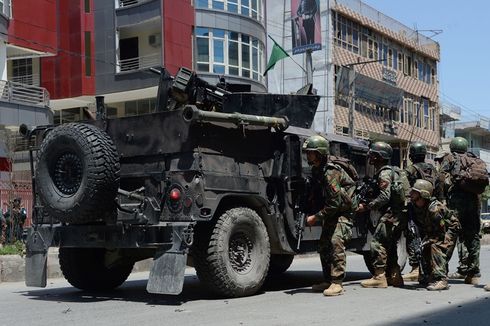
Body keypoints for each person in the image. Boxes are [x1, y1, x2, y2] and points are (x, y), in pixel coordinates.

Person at [303, 135, 357, 296]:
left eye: (311, 152)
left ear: (319, 153)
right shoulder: (317, 170)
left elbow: (335, 203)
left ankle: (337, 282)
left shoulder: (330, 172)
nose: (308, 155)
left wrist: (316, 217)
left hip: (344, 212)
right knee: (324, 245)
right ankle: (328, 280)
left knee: (336, 242)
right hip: (333, 211)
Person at [359, 141, 407, 288]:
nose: (370, 157)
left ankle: (379, 276)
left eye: (373, 154)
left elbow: (385, 196)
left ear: (380, 157)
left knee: (377, 242)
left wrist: (368, 206)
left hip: (390, 214)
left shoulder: (384, 173)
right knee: (390, 245)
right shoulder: (394, 170)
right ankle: (395, 276)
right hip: (399, 214)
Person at [440, 137, 482, 285]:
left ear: (452, 146)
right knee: (472, 237)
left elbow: (441, 179)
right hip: (474, 202)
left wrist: (441, 198)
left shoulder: (450, 158)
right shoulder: (473, 159)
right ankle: (473, 274)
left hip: (456, 203)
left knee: (449, 234)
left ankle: (441, 274)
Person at [408, 179, 460, 290]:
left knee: (436, 245)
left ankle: (441, 279)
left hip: (449, 230)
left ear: (423, 194)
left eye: (414, 192)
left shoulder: (434, 209)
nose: (411, 194)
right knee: (423, 247)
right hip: (433, 231)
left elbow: (440, 234)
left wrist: (427, 241)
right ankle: (429, 275)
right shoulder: (415, 206)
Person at [402, 142, 442, 282]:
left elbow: (404, 188)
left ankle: (415, 269)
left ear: (411, 155)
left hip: (416, 206)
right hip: (431, 206)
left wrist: (408, 202)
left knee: (413, 235)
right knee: (429, 238)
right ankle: (429, 269)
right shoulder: (433, 169)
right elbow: (439, 188)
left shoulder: (410, 169)